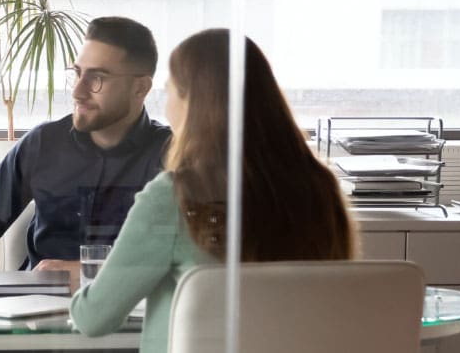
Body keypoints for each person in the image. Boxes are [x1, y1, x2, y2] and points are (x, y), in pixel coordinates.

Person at [68, 28, 358, 353]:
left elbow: (92, 318)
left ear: (194, 102)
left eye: (170, 92)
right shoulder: (320, 187)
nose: (167, 109)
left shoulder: (173, 196)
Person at [0, 17, 173, 283]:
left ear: (141, 88)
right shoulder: (43, 144)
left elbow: (179, 260)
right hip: (36, 310)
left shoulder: (172, 156)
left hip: (130, 314)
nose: (78, 92)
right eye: (77, 74)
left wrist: (87, 272)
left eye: (97, 79)